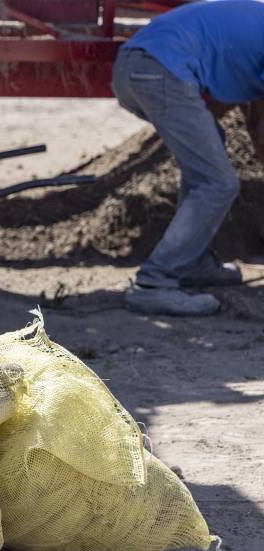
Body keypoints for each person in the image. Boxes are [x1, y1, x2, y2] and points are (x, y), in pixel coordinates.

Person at [112, 0, 264, 316]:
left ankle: (191, 262)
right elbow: (260, 123)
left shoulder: (255, 24)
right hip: (157, 70)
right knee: (218, 183)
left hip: (135, 67)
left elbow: (244, 116)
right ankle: (153, 284)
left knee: (208, 161)